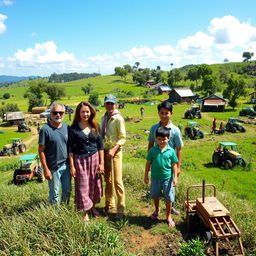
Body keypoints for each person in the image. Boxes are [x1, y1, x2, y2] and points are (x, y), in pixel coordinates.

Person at [68, 101, 104, 222]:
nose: (85, 114)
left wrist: (101, 163)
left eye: (87, 111)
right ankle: (84, 212)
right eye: (83, 111)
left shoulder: (95, 126)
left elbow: (100, 146)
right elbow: (71, 149)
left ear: (91, 112)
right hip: (80, 160)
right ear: (78, 113)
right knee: (82, 186)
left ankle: (93, 207)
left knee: (94, 185)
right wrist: (72, 166)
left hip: (94, 159)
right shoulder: (73, 129)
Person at [148, 100, 183, 215]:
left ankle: (170, 208)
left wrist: (178, 167)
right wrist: (149, 163)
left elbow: (179, 149)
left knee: (170, 187)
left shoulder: (176, 130)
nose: (164, 115)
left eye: (166, 113)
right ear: (158, 113)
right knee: (156, 187)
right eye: (162, 113)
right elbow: (150, 145)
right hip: (157, 164)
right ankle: (157, 209)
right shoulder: (154, 128)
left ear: (171, 113)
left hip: (170, 164)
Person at [144, 126, 178, 228]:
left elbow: (174, 165)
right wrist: (146, 175)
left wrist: (175, 177)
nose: (162, 141)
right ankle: (157, 210)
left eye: (164, 139)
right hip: (155, 178)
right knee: (155, 195)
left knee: (168, 197)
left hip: (168, 179)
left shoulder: (171, 151)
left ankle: (168, 216)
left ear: (168, 138)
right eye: (159, 139)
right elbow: (148, 163)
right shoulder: (152, 151)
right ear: (156, 139)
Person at [38, 103, 71, 204]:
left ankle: (64, 212)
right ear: (50, 114)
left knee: (67, 190)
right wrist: (45, 169)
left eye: (60, 113)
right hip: (53, 167)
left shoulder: (67, 127)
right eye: (55, 112)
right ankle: (53, 215)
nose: (58, 115)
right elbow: (41, 150)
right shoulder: (45, 130)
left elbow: (70, 148)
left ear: (64, 114)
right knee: (54, 193)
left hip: (66, 166)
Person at [101, 94, 126, 218]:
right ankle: (109, 203)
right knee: (108, 180)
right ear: (105, 104)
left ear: (115, 104)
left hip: (115, 152)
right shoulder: (104, 117)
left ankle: (121, 208)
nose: (110, 106)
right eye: (107, 103)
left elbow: (123, 138)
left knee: (117, 180)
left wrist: (114, 149)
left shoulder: (118, 118)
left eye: (112, 103)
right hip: (105, 152)